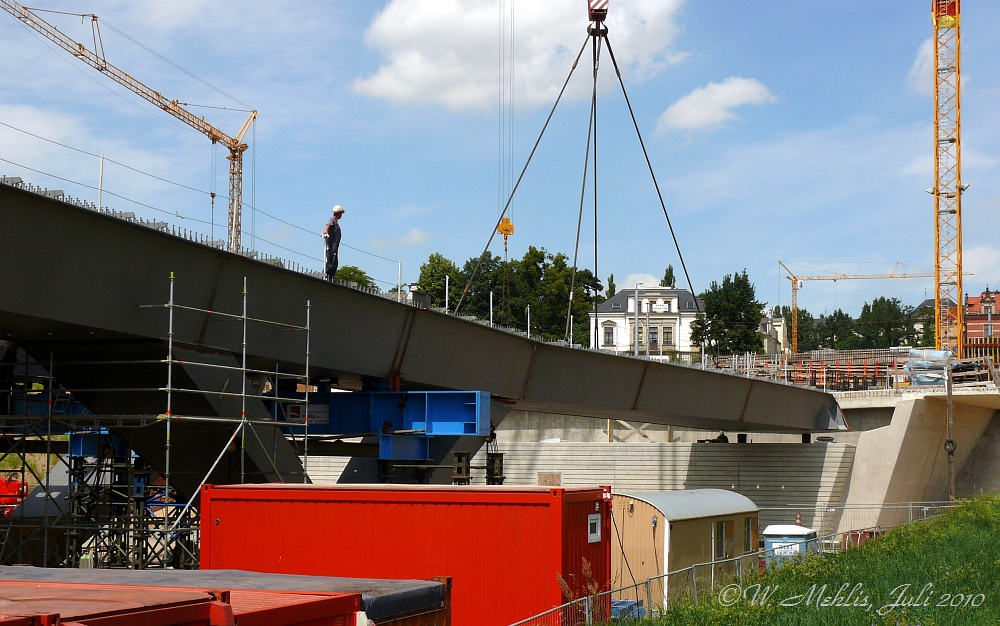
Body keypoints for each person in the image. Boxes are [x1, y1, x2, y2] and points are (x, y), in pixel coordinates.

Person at [322, 205, 345, 281]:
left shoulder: (336, 223)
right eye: (341, 213)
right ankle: (327, 276)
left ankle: (330, 277)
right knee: (330, 262)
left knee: (334, 262)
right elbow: (327, 225)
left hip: (335, 247)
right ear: (338, 213)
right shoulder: (332, 220)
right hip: (331, 246)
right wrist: (325, 232)